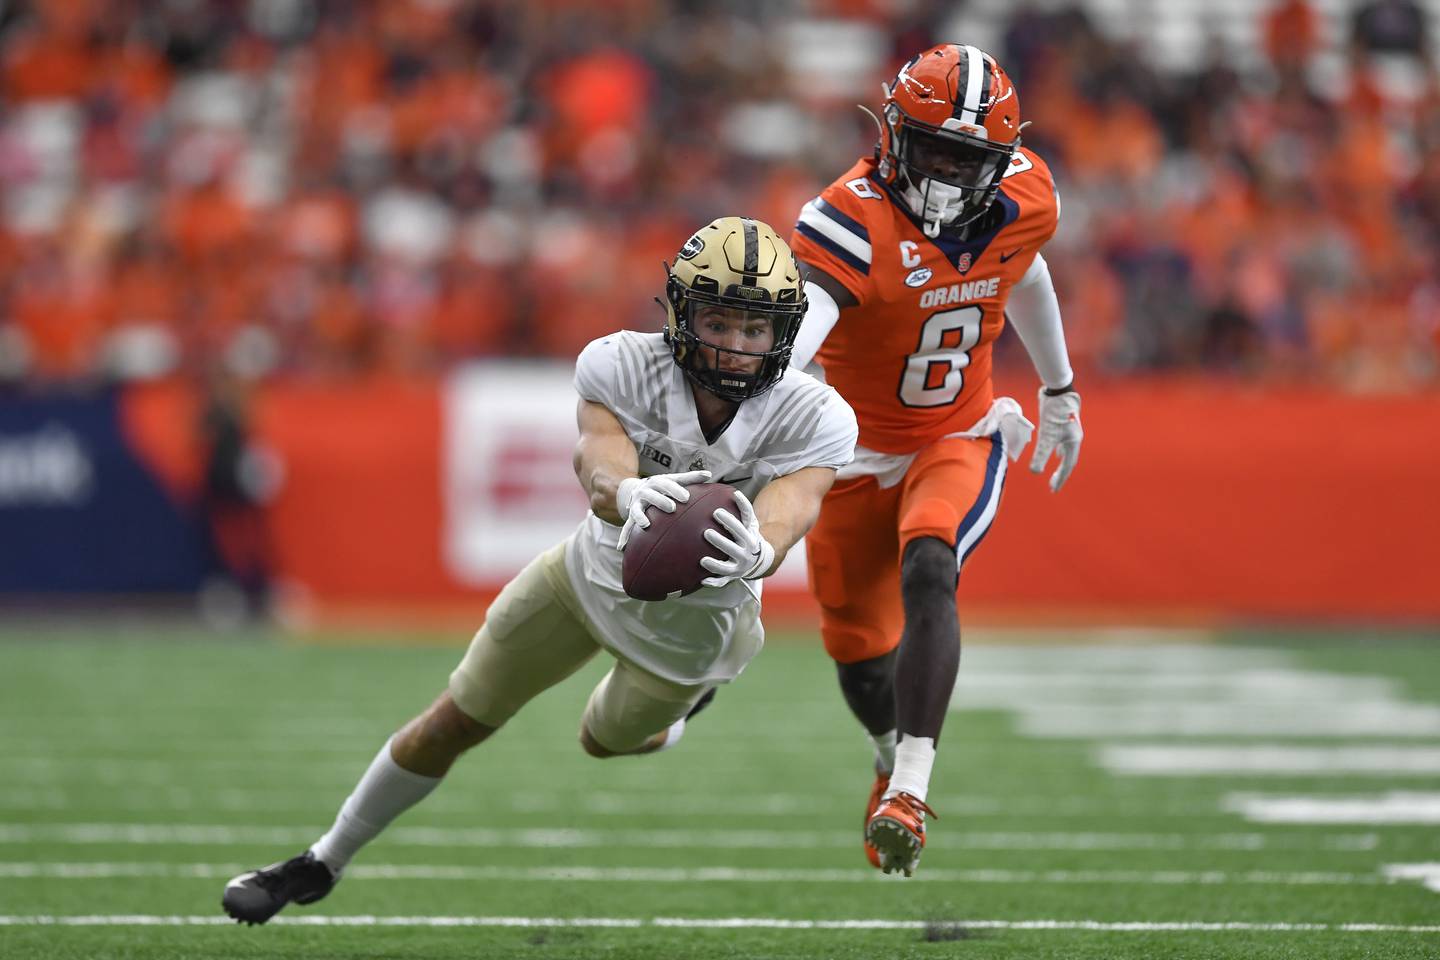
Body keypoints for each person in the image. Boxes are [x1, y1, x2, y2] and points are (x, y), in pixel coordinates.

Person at [220, 217, 858, 924]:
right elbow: (597, 459)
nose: (735, 346)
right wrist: (627, 492)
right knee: (454, 720)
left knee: (600, 741)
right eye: (718, 319)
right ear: (681, 312)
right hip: (585, 578)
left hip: (692, 630)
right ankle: (322, 859)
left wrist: (761, 550)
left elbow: (795, 504)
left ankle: (676, 720)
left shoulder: (814, 411)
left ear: (784, 333)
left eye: (755, 329)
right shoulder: (620, 363)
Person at [787, 44, 1084, 876]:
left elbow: (1020, 270)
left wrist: (1058, 388)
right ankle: (888, 754)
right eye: (935, 151)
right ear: (893, 134)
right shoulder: (851, 214)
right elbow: (805, 327)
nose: (950, 176)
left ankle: (911, 790)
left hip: (958, 431)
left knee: (930, 563)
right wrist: (762, 401)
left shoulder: (1024, 195)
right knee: (855, 651)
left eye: (969, 158)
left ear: (1000, 159)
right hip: (850, 454)